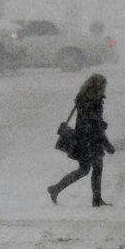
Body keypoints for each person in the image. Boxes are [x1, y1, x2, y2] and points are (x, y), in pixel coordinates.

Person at [47, 73, 116, 207]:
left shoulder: (83, 98)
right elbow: (94, 124)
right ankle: (96, 200)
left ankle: (56, 189)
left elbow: (88, 121)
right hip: (92, 141)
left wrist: (99, 124)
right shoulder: (94, 100)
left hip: (82, 140)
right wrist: (106, 143)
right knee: (96, 168)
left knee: (85, 169)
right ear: (99, 86)